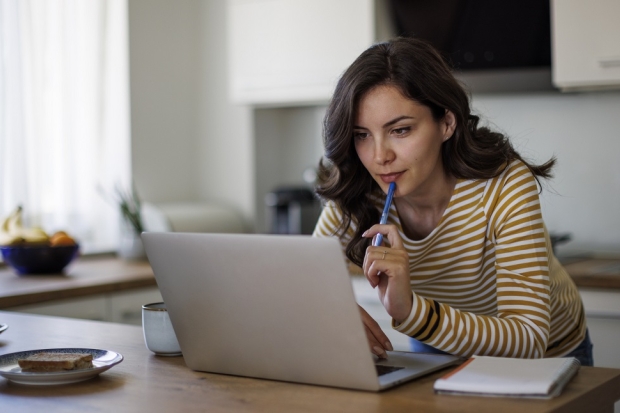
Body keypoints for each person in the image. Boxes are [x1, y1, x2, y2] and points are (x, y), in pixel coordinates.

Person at [312, 37, 592, 366]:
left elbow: (528, 336)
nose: (379, 157)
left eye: (400, 130)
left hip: (547, 357)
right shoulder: (359, 191)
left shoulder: (504, 184)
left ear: (446, 123)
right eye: (362, 135)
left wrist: (412, 312)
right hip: (439, 347)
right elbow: (305, 283)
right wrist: (332, 311)